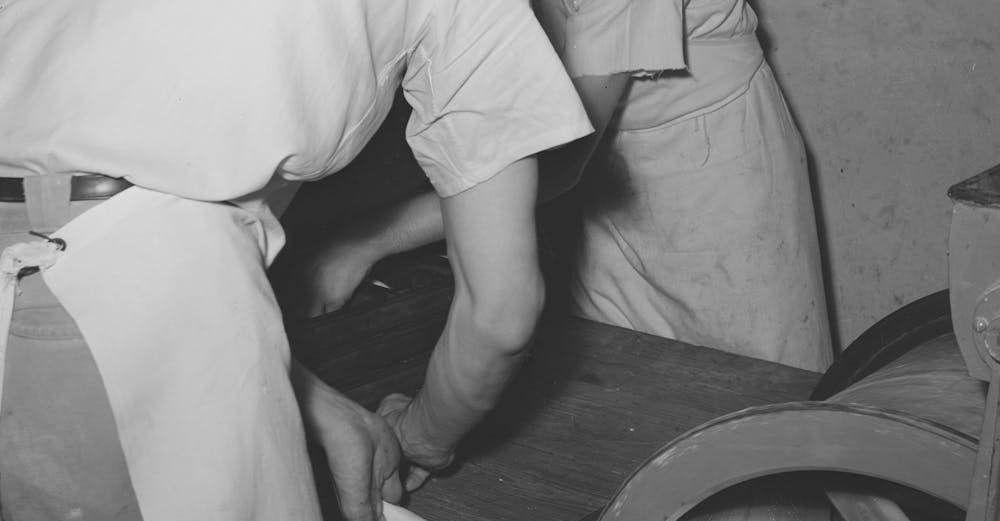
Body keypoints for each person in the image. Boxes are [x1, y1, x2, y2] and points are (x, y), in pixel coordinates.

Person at [0, 0, 592, 521]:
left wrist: (310, 400)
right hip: (136, 288)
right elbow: (501, 311)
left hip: (64, 279)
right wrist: (426, 437)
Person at [290, 0, 833, 373]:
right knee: (622, 387)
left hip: (706, 175)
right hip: (604, 176)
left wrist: (363, 241)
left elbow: (556, 164)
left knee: (741, 398)